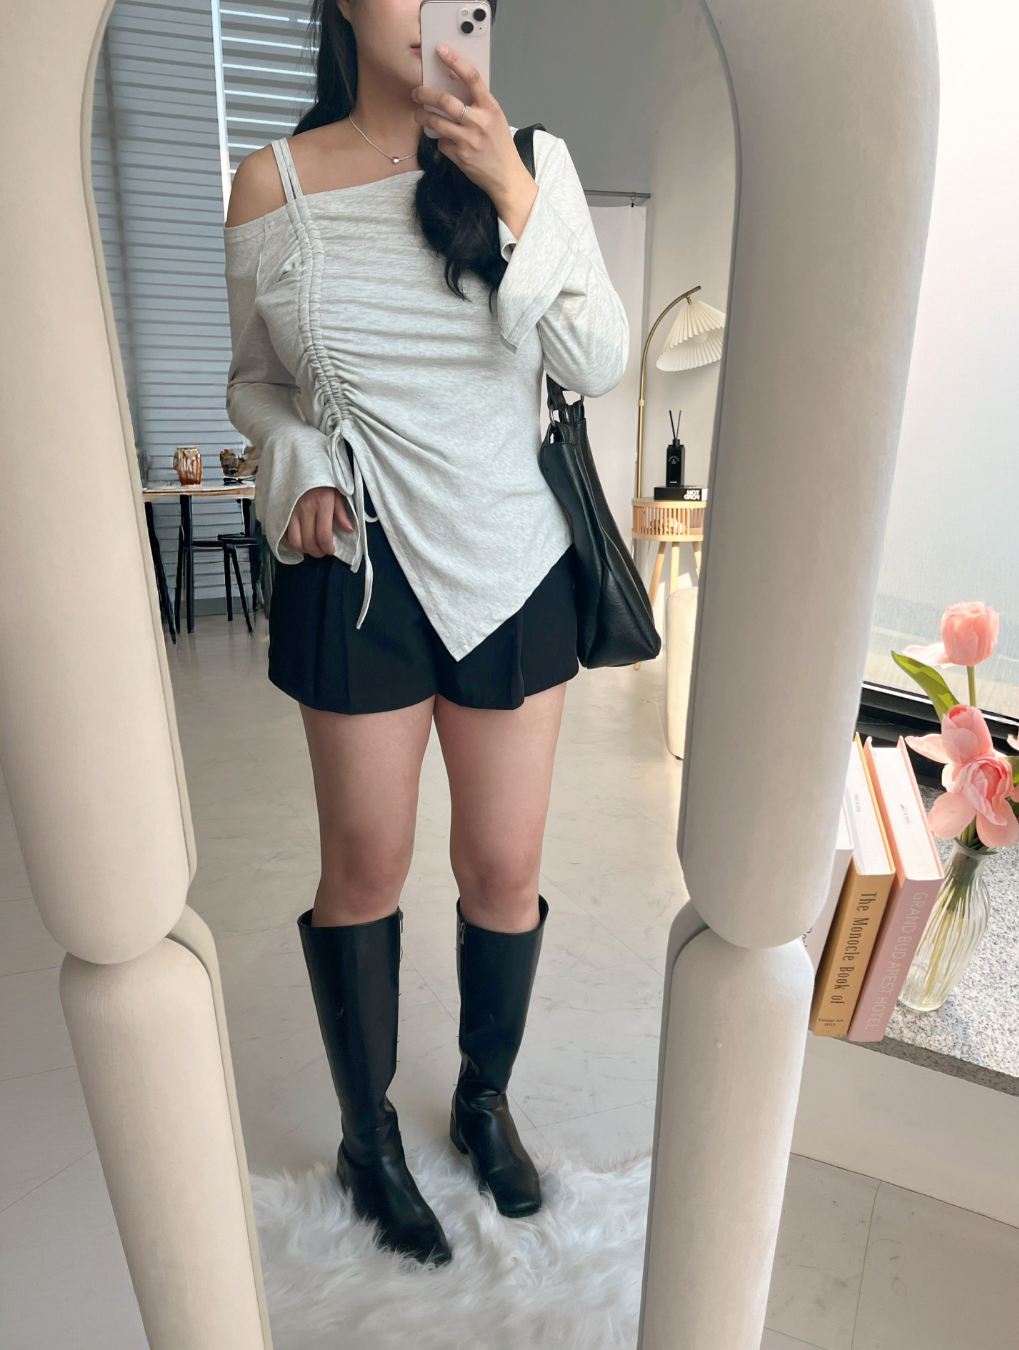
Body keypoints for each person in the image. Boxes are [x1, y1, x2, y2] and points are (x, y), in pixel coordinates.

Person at [223, 0, 628, 1268]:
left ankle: (483, 1102)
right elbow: (256, 384)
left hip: (513, 561)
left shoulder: (534, 162)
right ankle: (368, 1141)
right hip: (358, 569)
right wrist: (297, 465)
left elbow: (596, 357)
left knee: (503, 868)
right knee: (366, 864)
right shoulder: (272, 184)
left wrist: (507, 181)